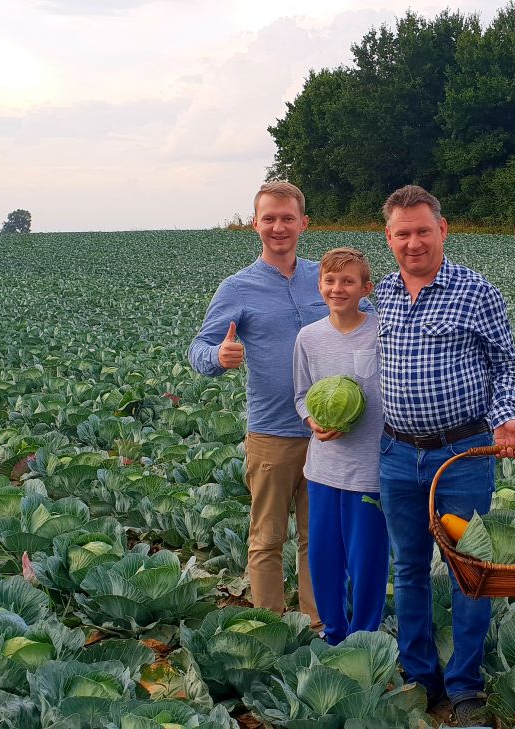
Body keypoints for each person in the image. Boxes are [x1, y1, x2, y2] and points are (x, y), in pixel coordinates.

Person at [375, 185, 515, 725]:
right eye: (401, 233)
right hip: (396, 453)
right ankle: (419, 678)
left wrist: (506, 412)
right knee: (409, 566)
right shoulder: (383, 295)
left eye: (422, 230)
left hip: (462, 452)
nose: (413, 242)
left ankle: (464, 688)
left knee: (470, 571)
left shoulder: (475, 290)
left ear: (443, 229)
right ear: (388, 238)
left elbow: (507, 363)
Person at [189, 181, 323, 629]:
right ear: (255, 224)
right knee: (267, 538)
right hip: (272, 434)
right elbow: (200, 347)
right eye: (269, 218)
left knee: (317, 538)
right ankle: (269, 630)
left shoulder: (324, 277)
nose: (278, 227)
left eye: (287, 218)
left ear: (303, 222)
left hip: (330, 434)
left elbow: (364, 326)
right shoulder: (238, 288)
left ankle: (318, 625)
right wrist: (218, 357)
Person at [291, 247, 389, 646]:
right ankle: (334, 632)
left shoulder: (384, 330)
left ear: (366, 288)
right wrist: (312, 420)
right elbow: (300, 394)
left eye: (348, 281)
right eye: (330, 281)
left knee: (368, 559)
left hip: (371, 468)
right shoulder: (309, 337)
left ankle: (365, 636)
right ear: (320, 286)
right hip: (324, 469)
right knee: (324, 556)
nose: (338, 288)